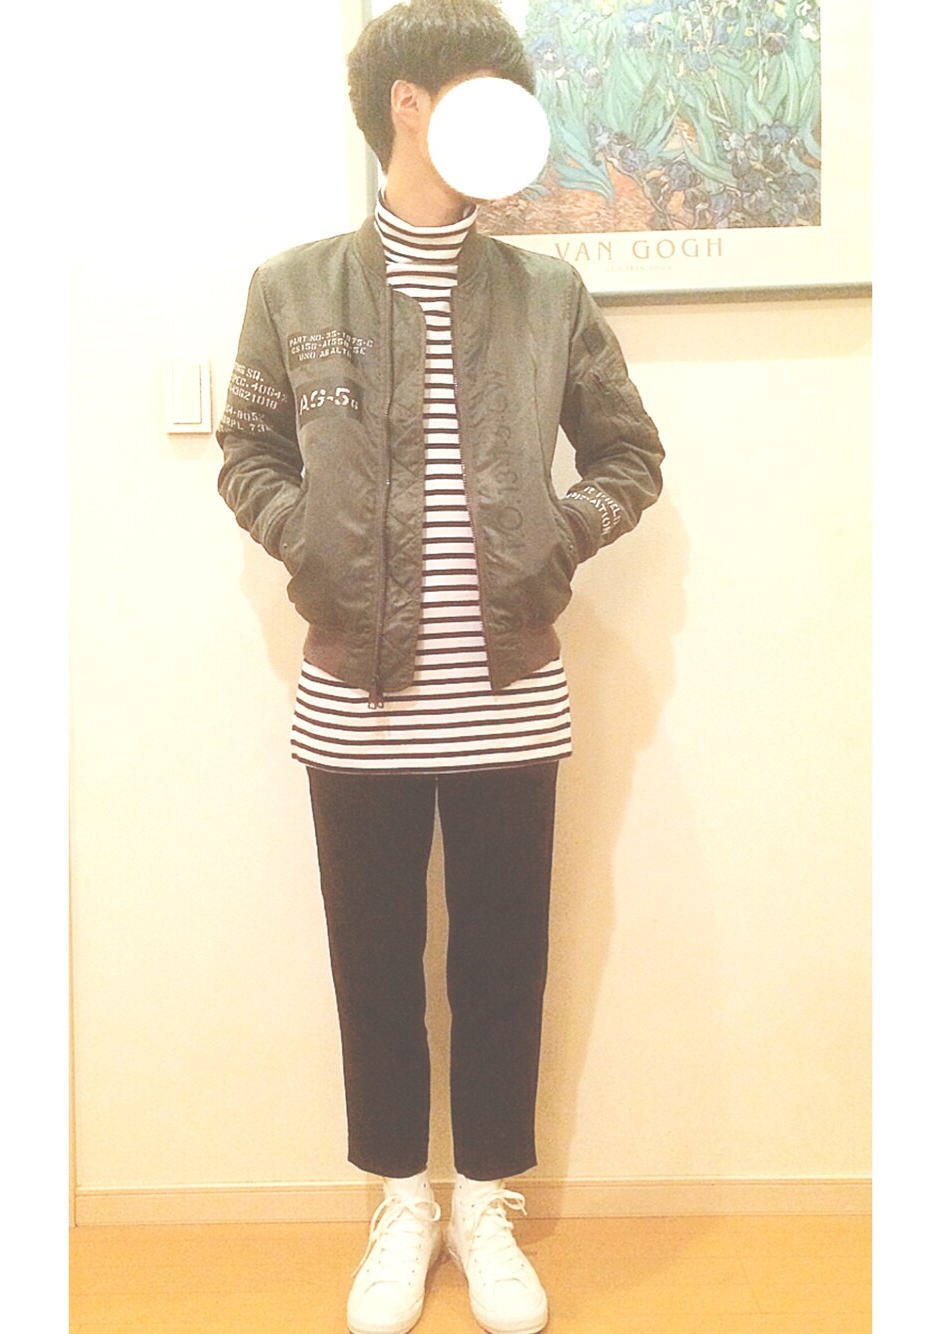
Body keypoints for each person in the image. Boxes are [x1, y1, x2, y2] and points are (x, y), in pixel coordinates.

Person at [215, 3, 664, 1331]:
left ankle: (485, 1200)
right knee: (373, 967)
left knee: (502, 966)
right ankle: (403, 1199)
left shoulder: (547, 295)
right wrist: (312, 541)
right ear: (409, 103)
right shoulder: (294, 288)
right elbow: (247, 453)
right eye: (485, 88)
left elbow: (630, 454)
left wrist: (554, 541)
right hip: (353, 706)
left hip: (511, 698)